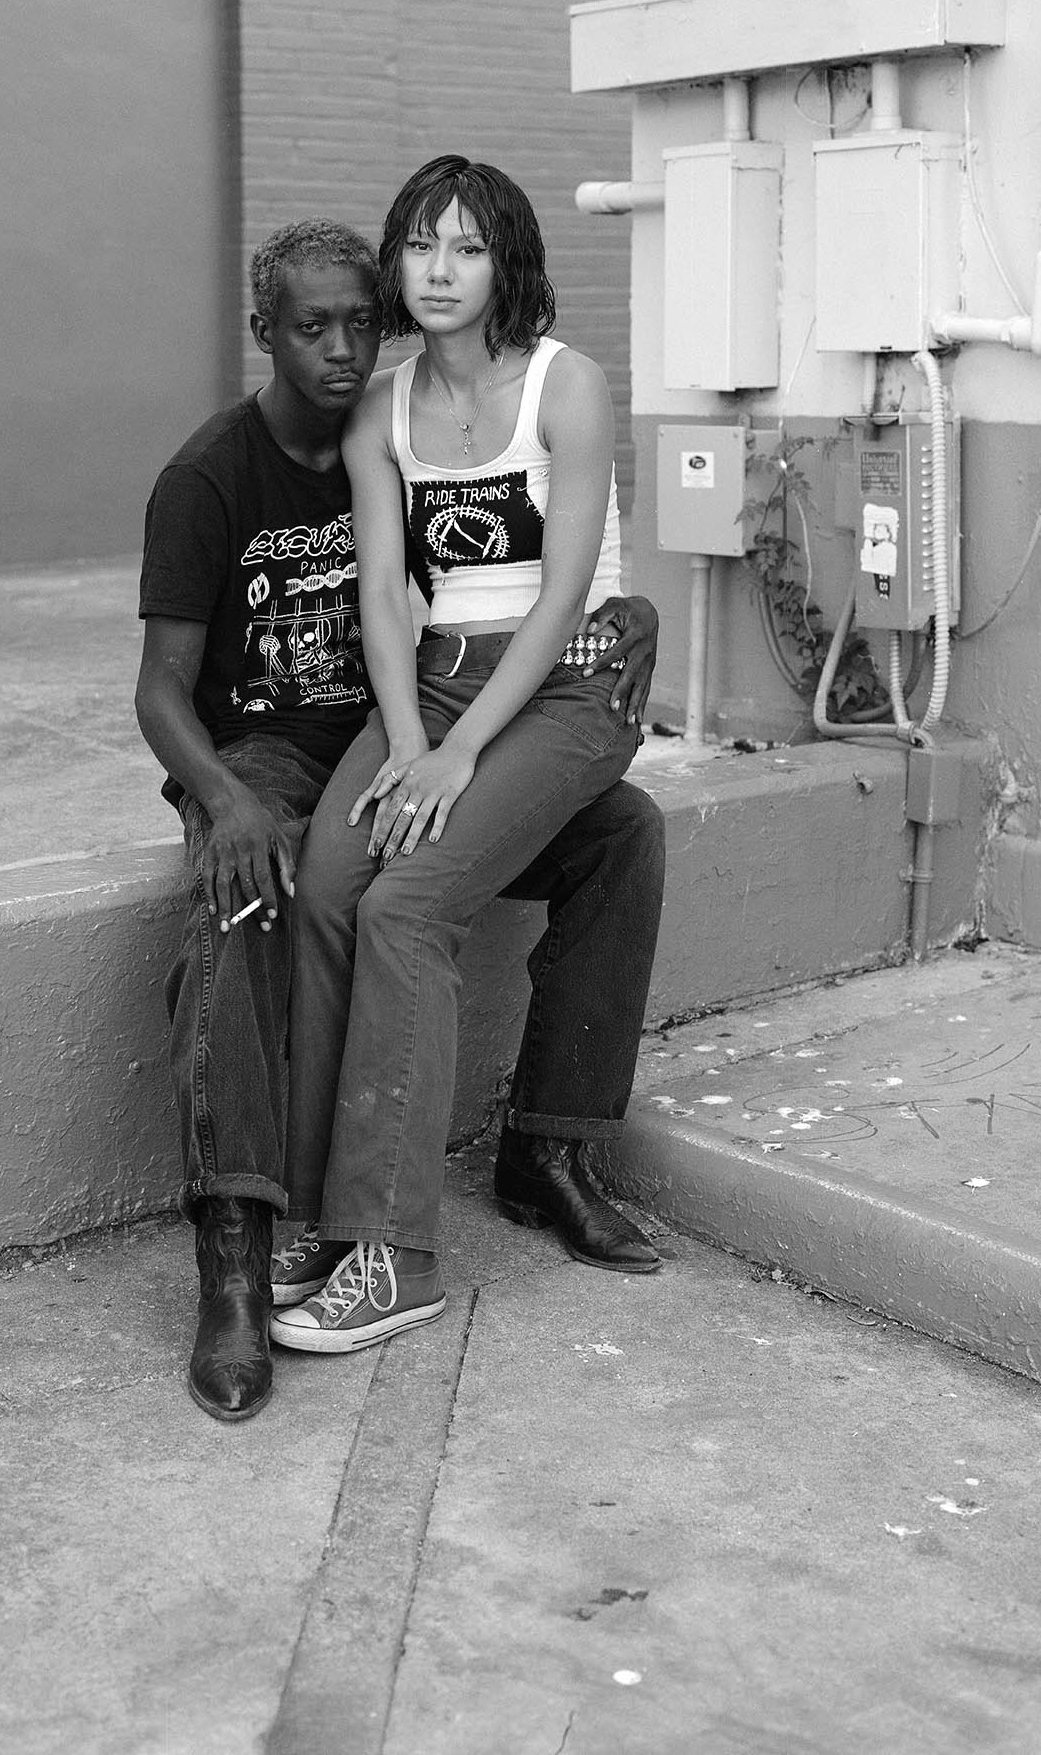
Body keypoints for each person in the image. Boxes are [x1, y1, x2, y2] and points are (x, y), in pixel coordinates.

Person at [136, 215, 664, 1424]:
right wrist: (219, 796)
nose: (338, 347)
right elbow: (159, 684)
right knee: (254, 894)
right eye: (310, 326)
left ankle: (548, 1148)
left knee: (622, 832)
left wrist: (626, 612)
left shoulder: (415, 419)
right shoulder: (212, 475)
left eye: (355, 324)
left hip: (404, 727)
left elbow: (526, 557)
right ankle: (238, 1249)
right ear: (262, 331)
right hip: (277, 754)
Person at [271, 158, 649, 1357]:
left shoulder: (564, 384)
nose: (437, 271)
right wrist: (411, 735)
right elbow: (386, 590)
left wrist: (456, 757)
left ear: (506, 265)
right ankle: (318, 1211)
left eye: (466, 248)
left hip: (562, 687)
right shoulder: (380, 407)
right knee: (328, 885)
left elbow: (565, 592)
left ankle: (397, 1253)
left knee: (407, 908)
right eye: (420, 246)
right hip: (429, 681)